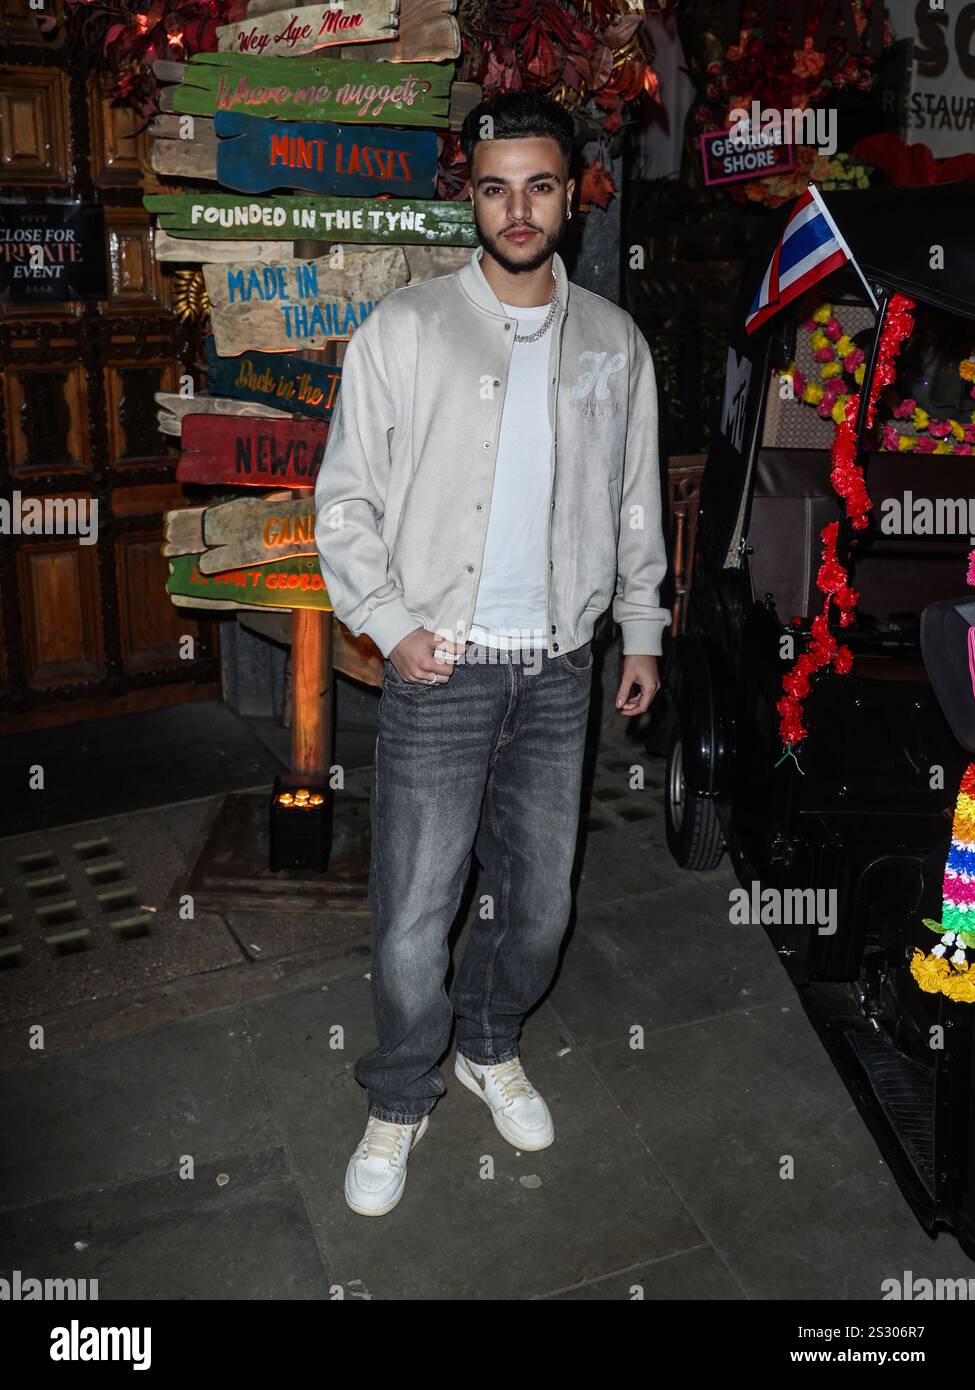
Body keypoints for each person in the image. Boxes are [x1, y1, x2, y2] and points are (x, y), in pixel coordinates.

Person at [314, 90, 671, 1217]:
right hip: (442, 670)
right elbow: (344, 503)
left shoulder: (614, 341)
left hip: (561, 667)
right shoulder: (407, 329)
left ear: (573, 195)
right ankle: (402, 1090)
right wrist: (387, 620)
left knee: (543, 904)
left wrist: (644, 626)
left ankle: (487, 1041)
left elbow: (633, 504)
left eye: (542, 185)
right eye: (495, 186)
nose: (519, 208)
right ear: (467, 196)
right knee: (417, 910)